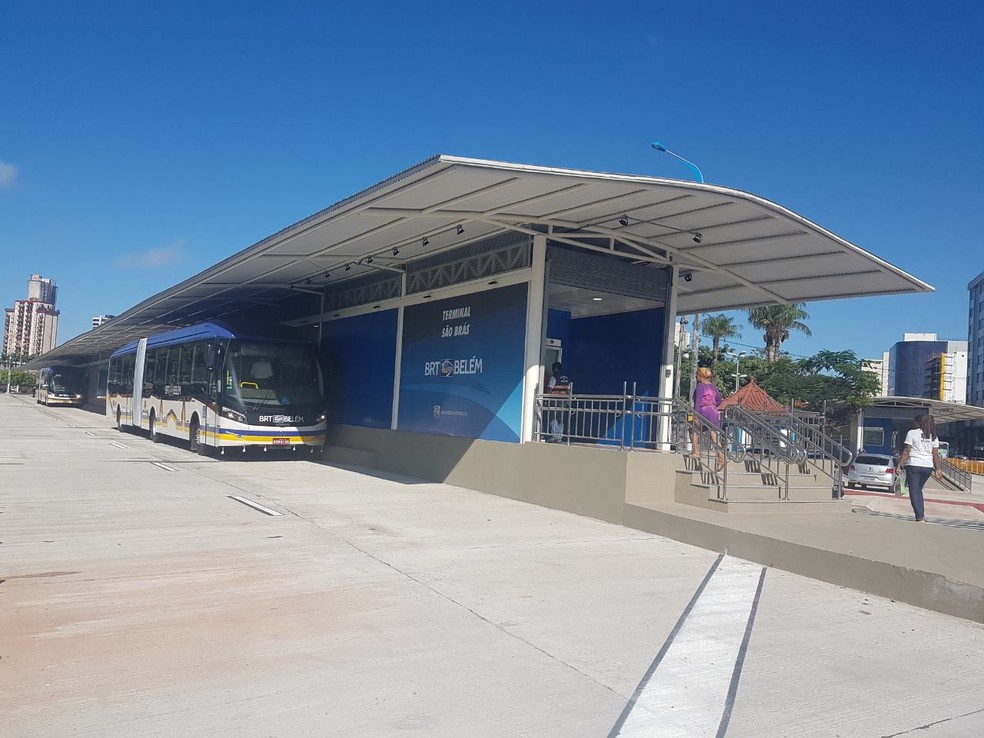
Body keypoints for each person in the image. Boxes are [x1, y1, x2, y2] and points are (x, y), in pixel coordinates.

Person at [896, 414, 943, 522]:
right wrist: (938, 469)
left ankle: (919, 516)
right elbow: (935, 454)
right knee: (918, 490)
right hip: (927, 466)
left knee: (914, 491)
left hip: (914, 464)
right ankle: (921, 514)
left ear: (921, 422)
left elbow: (907, 451)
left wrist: (899, 464)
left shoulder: (912, 433)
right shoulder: (934, 436)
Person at [692, 366, 725, 471]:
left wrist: (695, 416)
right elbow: (719, 400)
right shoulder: (713, 387)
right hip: (714, 411)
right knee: (714, 435)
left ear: (700, 376)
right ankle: (721, 458)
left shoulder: (700, 386)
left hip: (704, 410)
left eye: (697, 374)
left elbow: (697, 402)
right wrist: (713, 405)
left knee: (693, 429)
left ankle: (696, 452)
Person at [546, 362, 571, 441]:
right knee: (561, 419)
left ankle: (554, 435)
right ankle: (560, 436)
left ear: (556, 368)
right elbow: (569, 390)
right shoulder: (567, 378)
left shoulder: (554, 377)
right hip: (563, 401)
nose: (552, 370)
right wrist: (568, 401)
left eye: (553, 368)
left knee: (553, 418)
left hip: (555, 400)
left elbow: (549, 389)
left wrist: (546, 400)